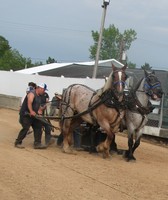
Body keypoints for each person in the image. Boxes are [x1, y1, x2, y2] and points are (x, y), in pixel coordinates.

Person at [14, 83, 48, 149]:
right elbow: (29, 103)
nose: (44, 91)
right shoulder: (32, 93)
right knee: (26, 128)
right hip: (26, 114)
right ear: (40, 88)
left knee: (38, 127)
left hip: (33, 115)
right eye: (44, 90)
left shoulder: (39, 96)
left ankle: (37, 143)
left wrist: (39, 110)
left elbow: (36, 105)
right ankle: (18, 142)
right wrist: (31, 111)